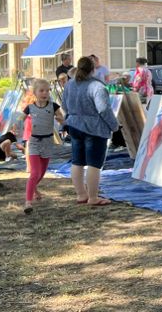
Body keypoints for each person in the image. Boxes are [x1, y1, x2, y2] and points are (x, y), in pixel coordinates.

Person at [63, 56, 119, 206]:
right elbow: (104, 110)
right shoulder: (97, 86)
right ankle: (93, 197)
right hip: (94, 129)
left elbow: (65, 106)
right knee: (94, 164)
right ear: (93, 69)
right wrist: (115, 126)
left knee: (77, 161)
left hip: (74, 126)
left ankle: (81, 194)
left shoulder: (70, 85)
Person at [22, 79, 64, 214]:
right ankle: (28, 202)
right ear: (35, 92)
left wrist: (60, 119)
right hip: (34, 142)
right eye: (41, 90)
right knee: (34, 172)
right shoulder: (30, 107)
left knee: (41, 174)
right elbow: (20, 118)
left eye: (47, 90)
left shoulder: (54, 106)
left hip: (47, 142)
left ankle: (34, 188)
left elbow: (61, 117)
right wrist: (15, 125)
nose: (45, 93)